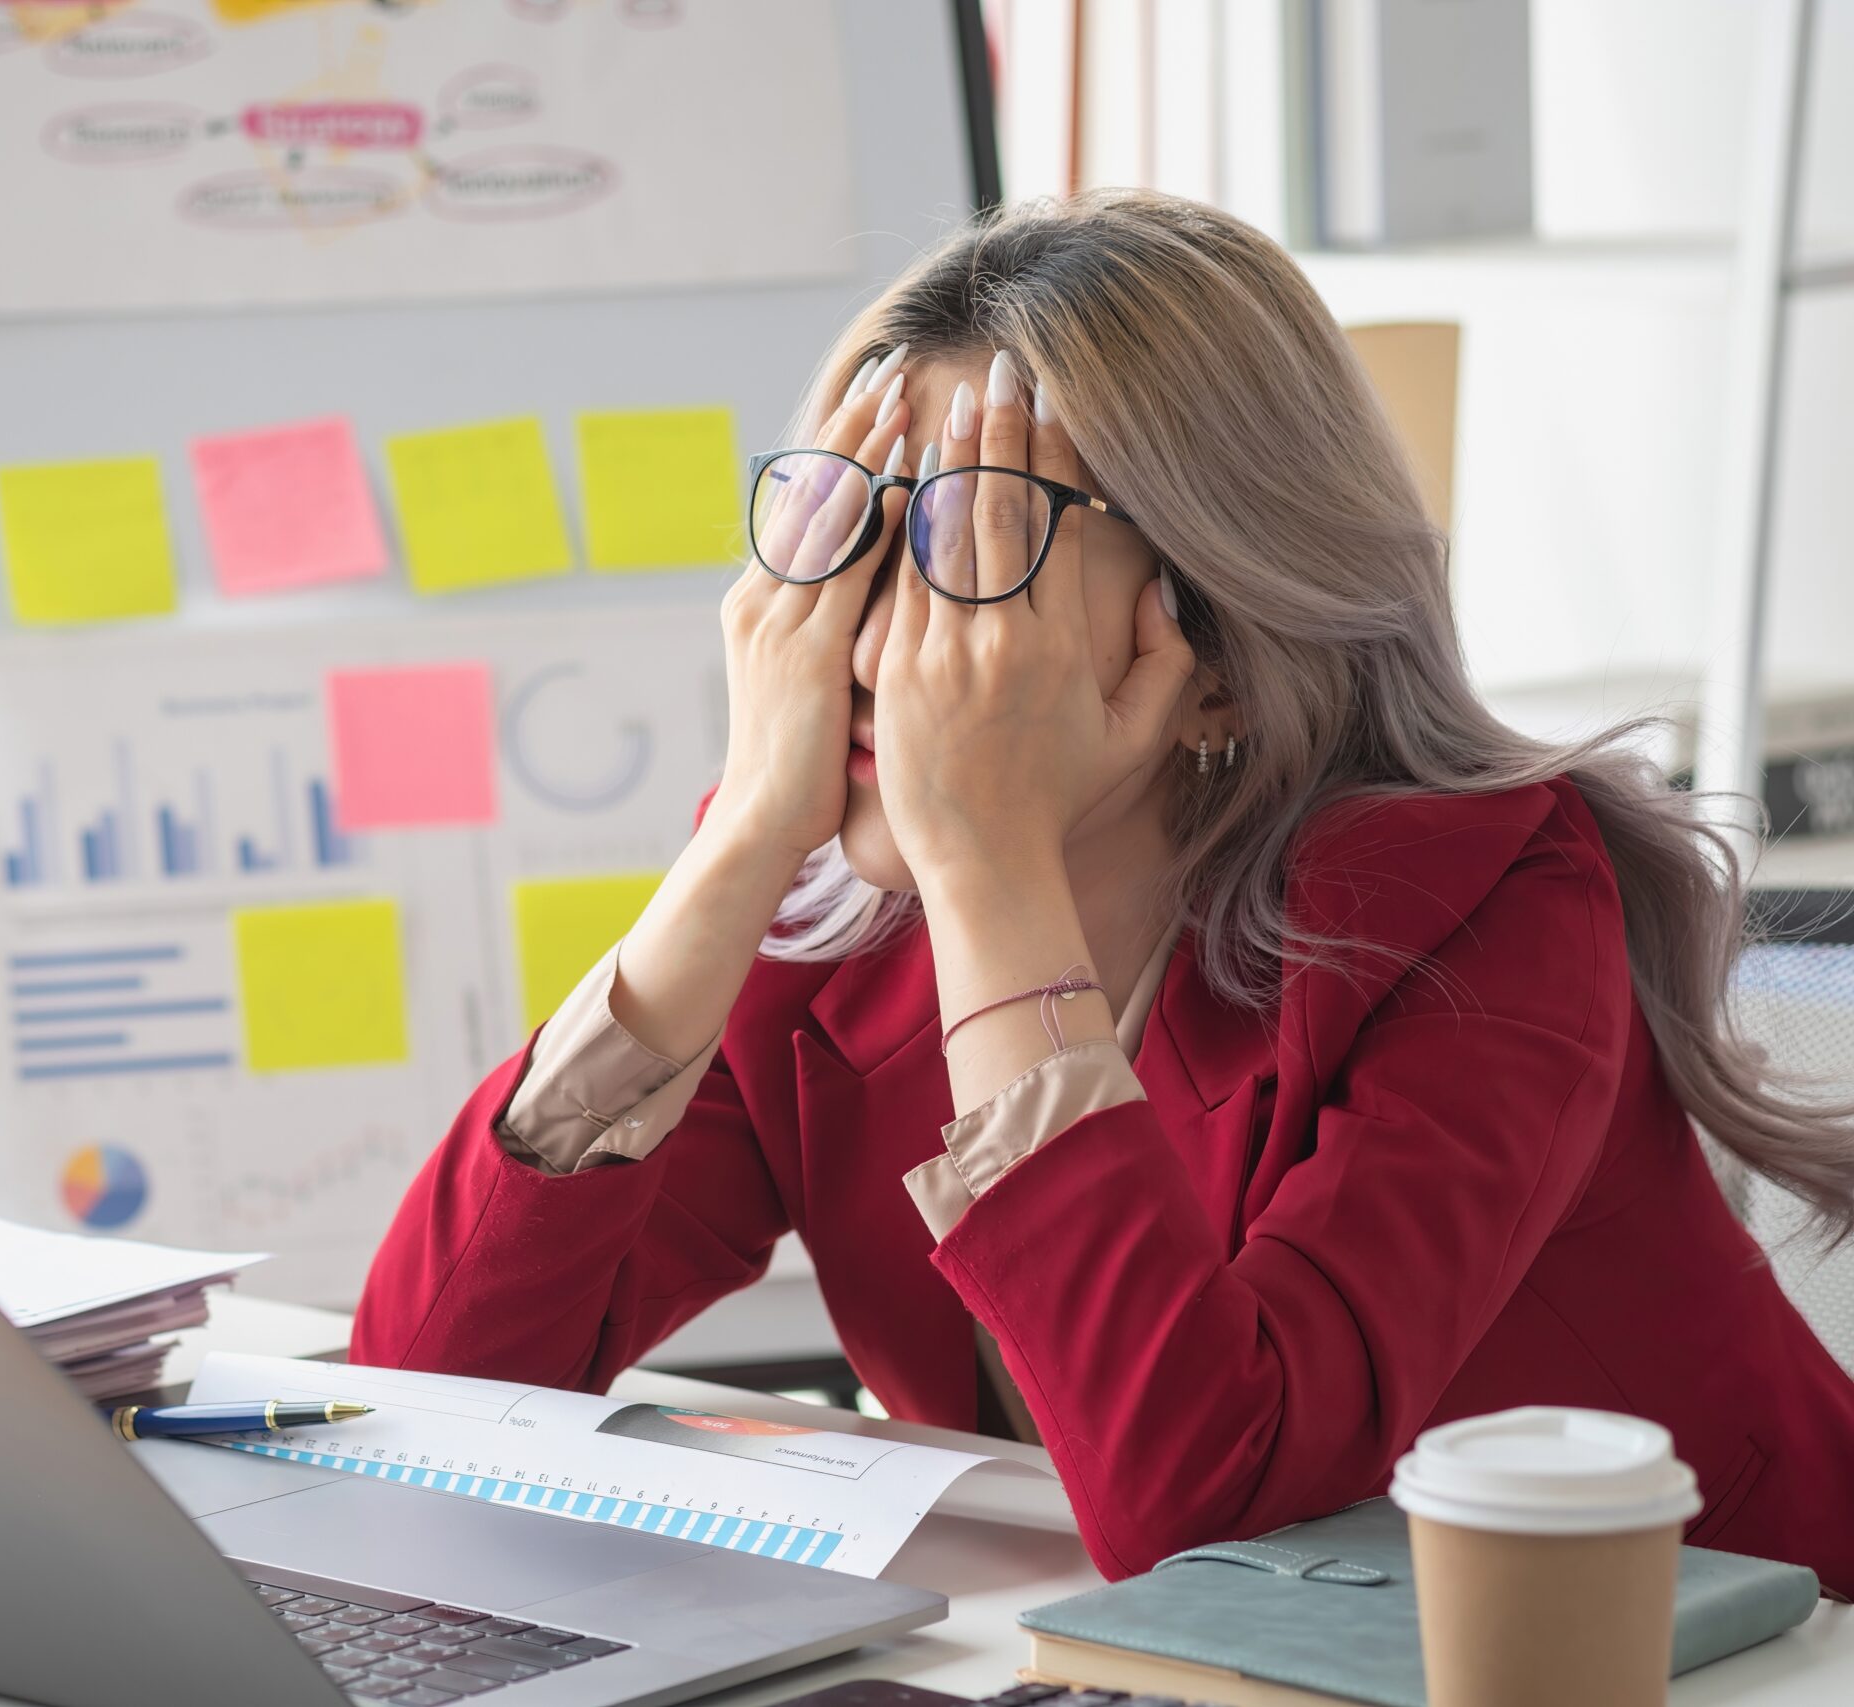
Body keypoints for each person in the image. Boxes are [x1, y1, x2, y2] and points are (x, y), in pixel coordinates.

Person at [349, 190, 1854, 1593]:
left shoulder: (1492, 904)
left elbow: (1208, 1498)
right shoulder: (815, 904)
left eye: (967, 548)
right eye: (841, 536)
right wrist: (738, 839)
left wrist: (990, 872)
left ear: (1215, 655)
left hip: (1708, 1651)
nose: (866, 649)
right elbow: (433, 1393)